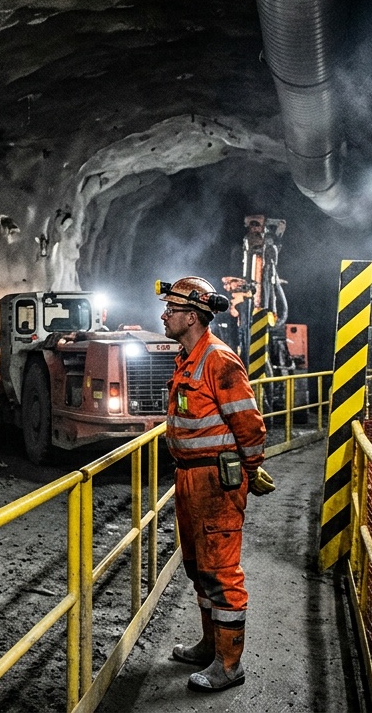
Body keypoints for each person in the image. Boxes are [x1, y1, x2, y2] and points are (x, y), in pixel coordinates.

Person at [156, 276, 274, 692]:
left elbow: (249, 424)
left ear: (192, 317)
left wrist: (251, 467)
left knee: (221, 572)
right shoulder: (187, 358)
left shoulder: (219, 360)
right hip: (190, 477)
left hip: (216, 481)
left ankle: (229, 664)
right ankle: (210, 645)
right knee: (198, 567)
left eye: (172, 309)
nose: (165, 315)